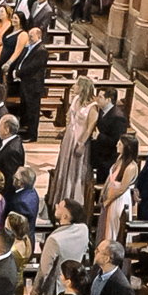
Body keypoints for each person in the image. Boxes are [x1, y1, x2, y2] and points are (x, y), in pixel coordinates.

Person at [31, 199, 89, 295]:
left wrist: (36, 289)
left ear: (65, 216)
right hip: (75, 286)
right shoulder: (83, 229)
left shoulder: (55, 239)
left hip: (56, 290)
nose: (56, 205)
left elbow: (44, 270)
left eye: (60, 206)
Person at [47, 77, 98, 209]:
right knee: (64, 166)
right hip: (69, 137)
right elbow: (71, 119)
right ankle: (60, 198)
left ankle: (73, 202)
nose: (73, 86)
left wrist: (81, 143)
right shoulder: (76, 99)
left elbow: (90, 126)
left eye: (76, 84)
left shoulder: (92, 106)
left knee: (75, 169)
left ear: (82, 87)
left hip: (79, 139)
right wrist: (64, 131)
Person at [96, 135, 138, 243]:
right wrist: (103, 192)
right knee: (106, 228)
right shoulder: (120, 159)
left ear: (127, 147)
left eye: (119, 144)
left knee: (113, 230)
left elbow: (121, 189)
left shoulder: (131, 167)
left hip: (118, 201)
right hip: (110, 197)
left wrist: (108, 201)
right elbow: (111, 177)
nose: (116, 145)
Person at [14, 28, 48, 142]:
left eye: (31, 36)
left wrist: (19, 72)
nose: (29, 38)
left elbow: (33, 67)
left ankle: (32, 135)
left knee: (32, 111)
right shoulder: (29, 47)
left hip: (33, 85)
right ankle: (25, 131)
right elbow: (22, 60)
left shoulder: (41, 50)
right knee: (25, 108)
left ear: (38, 36)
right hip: (25, 83)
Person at [92, 88, 129, 186]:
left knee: (105, 185)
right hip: (100, 156)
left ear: (108, 100)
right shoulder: (102, 111)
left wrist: (99, 136)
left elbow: (117, 141)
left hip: (109, 159)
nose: (97, 99)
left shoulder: (118, 117)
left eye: (100, 97)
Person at [0, 113, 25, 200]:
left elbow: (10, 179)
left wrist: (0, 198)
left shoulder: (12, 151)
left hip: (4, 196)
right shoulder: (7, 142)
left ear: (6, 130)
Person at [8, 166, 40, 240]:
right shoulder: (32, 192)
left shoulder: (20, 202)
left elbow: (17, 228)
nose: (13, 179)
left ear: (20, 183)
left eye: (15, 177)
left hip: (21, 242)